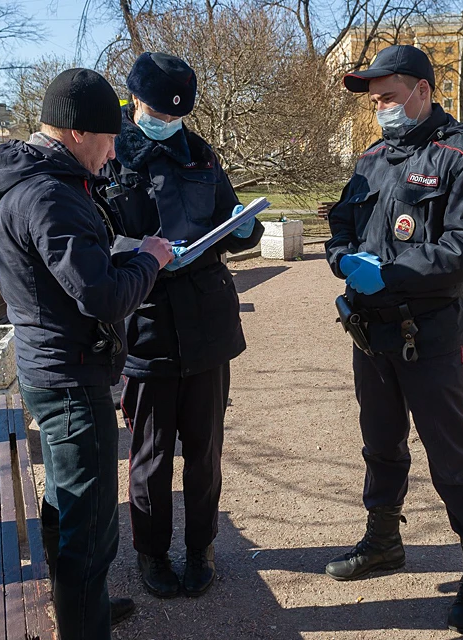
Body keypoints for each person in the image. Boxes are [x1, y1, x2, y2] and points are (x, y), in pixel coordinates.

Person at [0, 68, 175, 640]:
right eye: (108, 137)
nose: (114, 149)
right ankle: (82, 618)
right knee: (89, 522)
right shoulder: (50, 194)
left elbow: (70, 265)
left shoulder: (40, 181)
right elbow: (101, 296)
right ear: (75, 133)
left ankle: (77, 600)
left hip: (50, 365)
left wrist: (121, 248)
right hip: (70, 376)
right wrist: (151, 260)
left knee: (66, 500)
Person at [324, 45, 463, 635]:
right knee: (380, 443)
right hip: (370, 331)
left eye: (390, 97)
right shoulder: (371, 158)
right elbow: (344, 224)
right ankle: (383, 541)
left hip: (427, 333)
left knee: (451, 453)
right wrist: (341, 257)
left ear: (423, 90)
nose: (381, 109)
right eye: (375, 101)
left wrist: (393, 271)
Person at [101, 52, 263, 599]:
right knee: (149, 455)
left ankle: (202, 548)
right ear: (135, 101)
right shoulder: (111, 154)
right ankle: (151, 553)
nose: (167, 123)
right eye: (158, 111)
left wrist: (244, 228)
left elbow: (229, 215)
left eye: (178, 114)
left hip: (208, 328)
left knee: (205, 451)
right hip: (146, 324)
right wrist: (146, 254)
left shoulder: (199, 151)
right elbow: (96, 240)